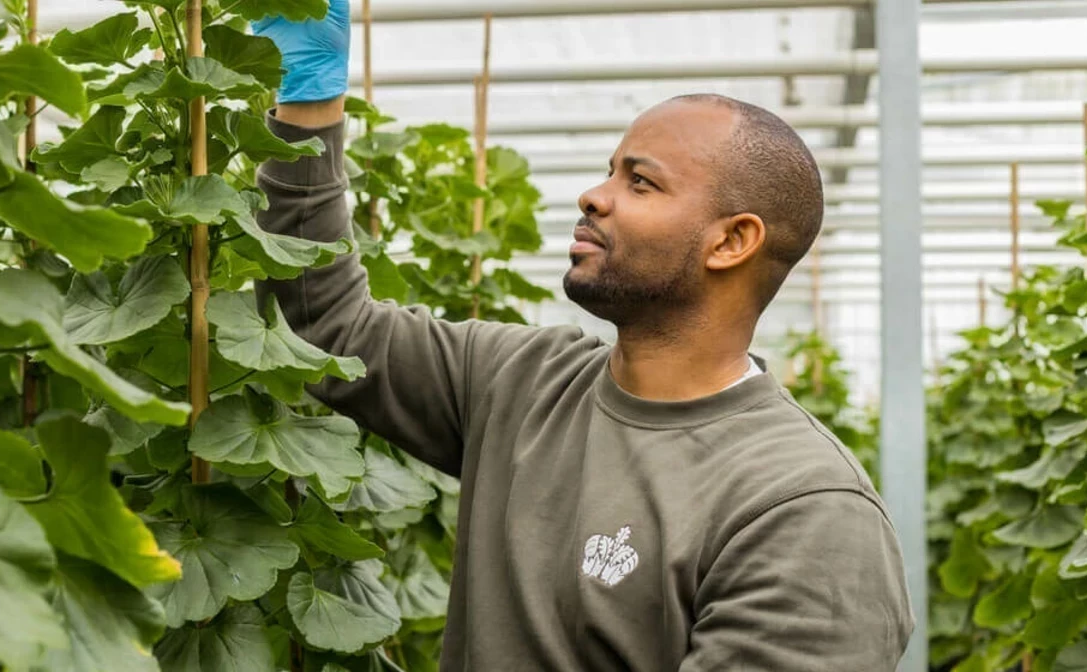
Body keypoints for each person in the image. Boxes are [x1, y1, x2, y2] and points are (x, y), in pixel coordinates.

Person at [252, 2, 915, 670]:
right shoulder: (523, 381)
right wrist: (311, 101)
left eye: (641, 181)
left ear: (732, 241)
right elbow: (327, 324)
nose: (593, 196)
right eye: (609, 170)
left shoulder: (805, 512)